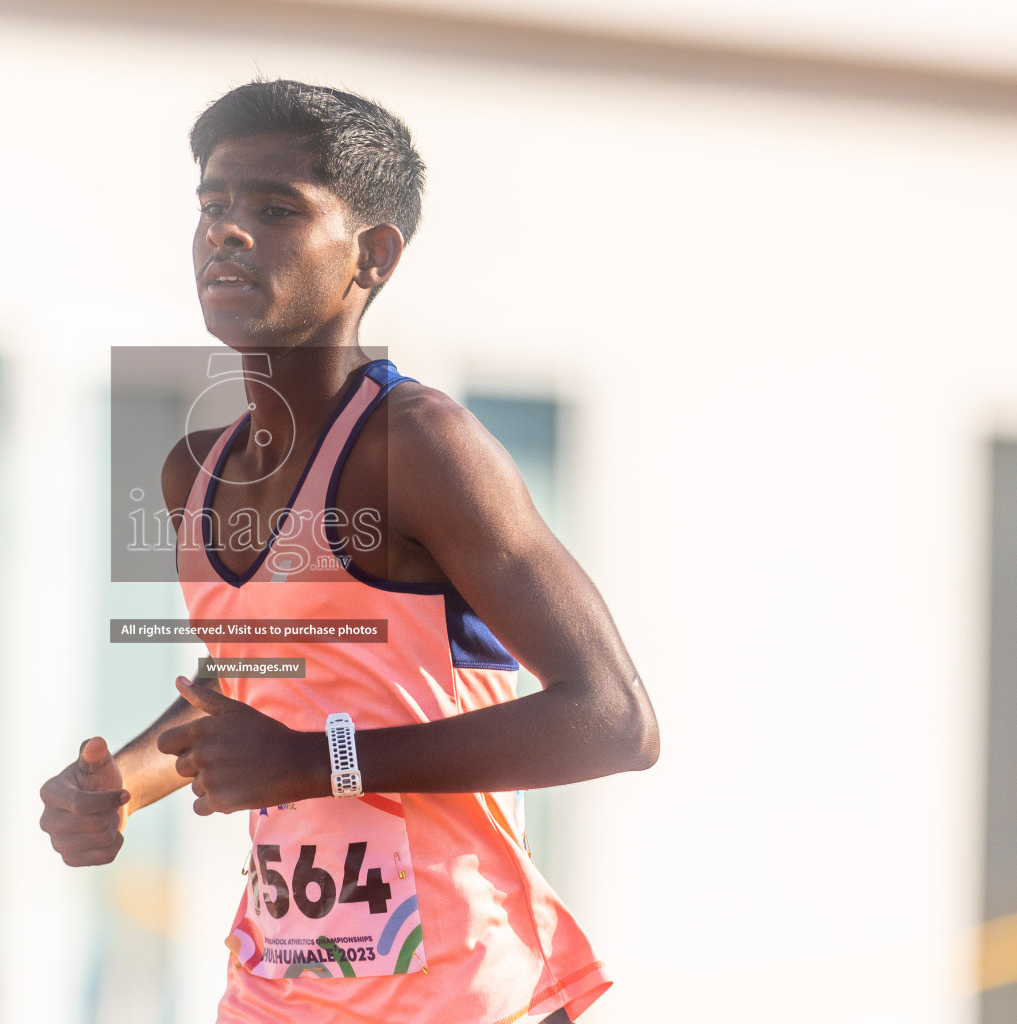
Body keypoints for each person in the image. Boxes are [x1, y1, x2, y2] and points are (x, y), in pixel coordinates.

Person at [40, 80, 659, 1024]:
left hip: (460, 993)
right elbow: (257, 681)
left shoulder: (419, 446)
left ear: (372, 255)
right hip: (277, 992)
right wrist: (116, 789)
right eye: (212, 205)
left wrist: (316, 765)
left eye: (277, 209)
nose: (228, 233)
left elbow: (616, 720)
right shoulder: (192, 473)